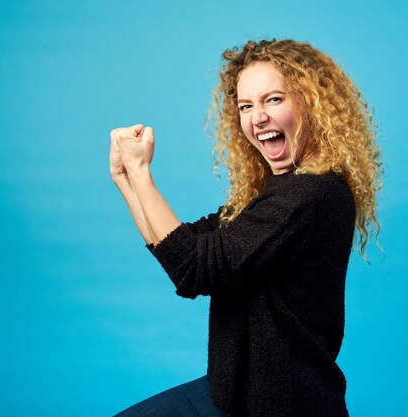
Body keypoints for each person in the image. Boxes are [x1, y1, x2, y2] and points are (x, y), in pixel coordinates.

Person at [109, 39, 382, 417]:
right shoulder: (285, 189)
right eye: (246, 106)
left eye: (273, 99)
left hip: (282, 406)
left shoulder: (310, 196)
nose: (257, 118)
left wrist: (141, 175)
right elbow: (183, 244)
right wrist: (126, 180)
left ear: (312, 102)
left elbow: (194, 267)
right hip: (231, 393)